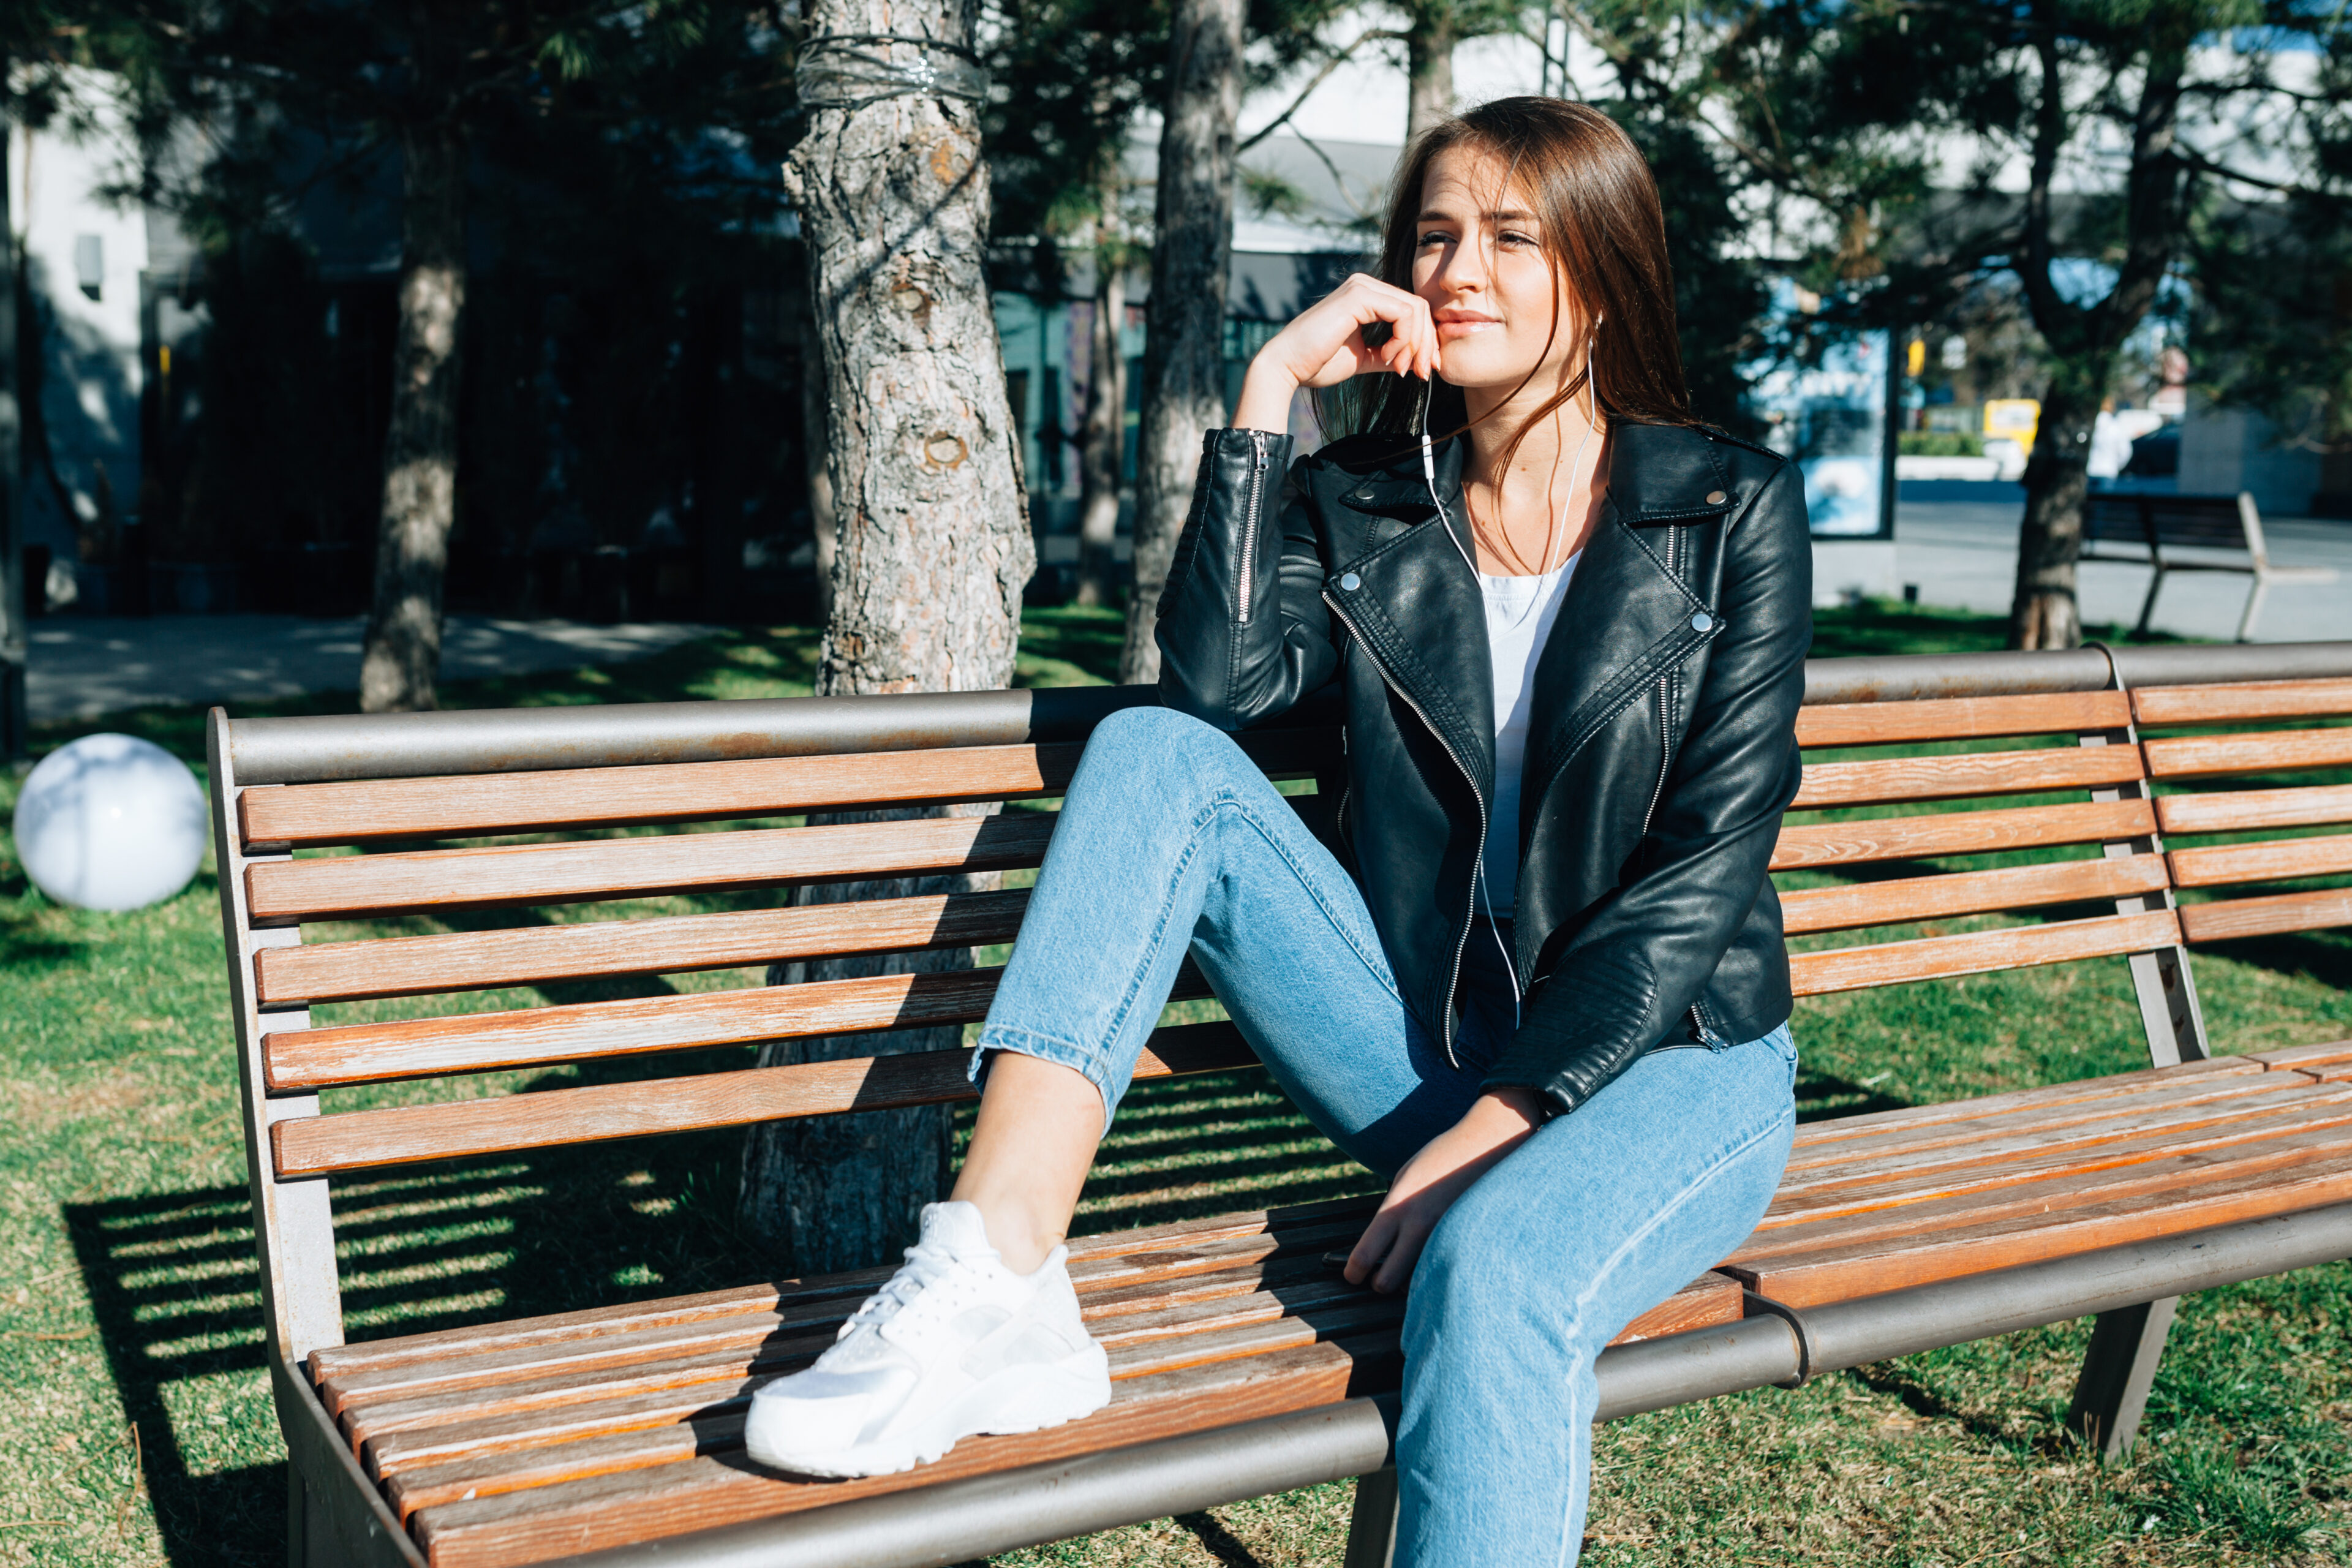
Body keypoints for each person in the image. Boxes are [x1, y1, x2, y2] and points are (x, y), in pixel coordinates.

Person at [742, 96, 1813, 1566]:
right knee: (1154, 752)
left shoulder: (1728, 509)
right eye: (1434, 235)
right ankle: (998, 1269)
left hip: (1673, 1058)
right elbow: (1218, 697)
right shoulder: (1360, 500)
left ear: (1605, 269)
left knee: (1493, 1269)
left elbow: (1701, 877)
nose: (1458, 271)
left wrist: (1502, 1128)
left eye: (1512, 236)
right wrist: (1267, 396)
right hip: (1429, 1038)